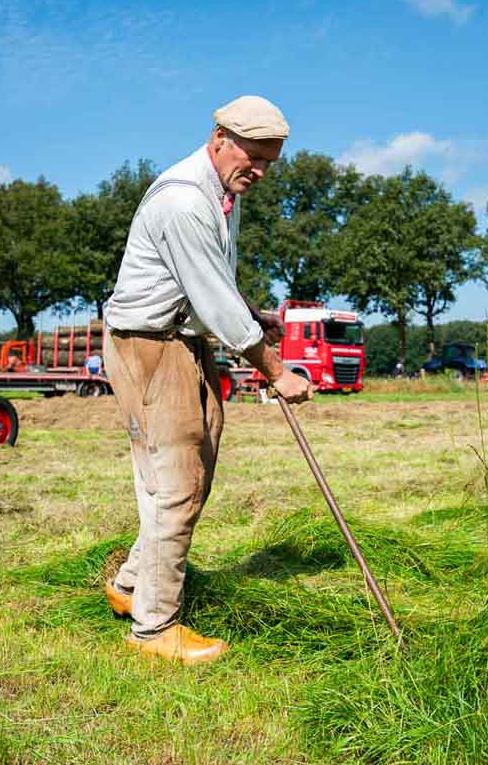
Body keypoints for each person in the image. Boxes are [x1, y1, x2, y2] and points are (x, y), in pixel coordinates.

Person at [102, 95, 314, 665]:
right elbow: (214, 300)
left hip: (184, 341)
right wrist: (275, 371)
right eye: (255, 157)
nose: (261, 172)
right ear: (219, 136)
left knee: (196, 474)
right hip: (151, 346)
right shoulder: (184, 202)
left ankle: (129, 586)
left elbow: (216, 280)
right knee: (177, 484)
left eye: (271, 161)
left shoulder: (223, 191)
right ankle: (156, 628)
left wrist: (252, 312)